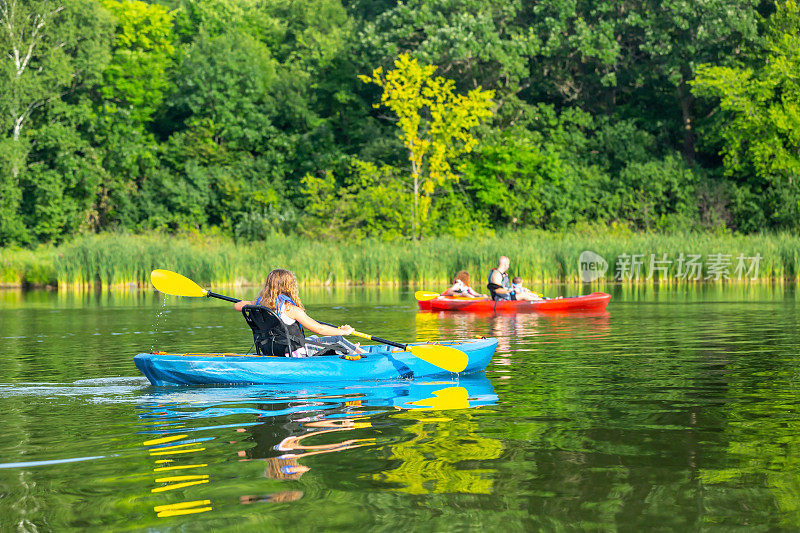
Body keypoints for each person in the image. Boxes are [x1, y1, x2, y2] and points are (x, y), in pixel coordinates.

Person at [234, 268, 364, 357]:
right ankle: (364, 355)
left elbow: (237, 305)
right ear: (289, 286)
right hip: (292, 353)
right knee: (338, 339)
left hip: (270, 349)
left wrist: (252, 302)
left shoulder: (259, 303)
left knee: (313, 339)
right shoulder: (291, 309)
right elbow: (319, 329)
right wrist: (344, 331)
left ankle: (352, 348)